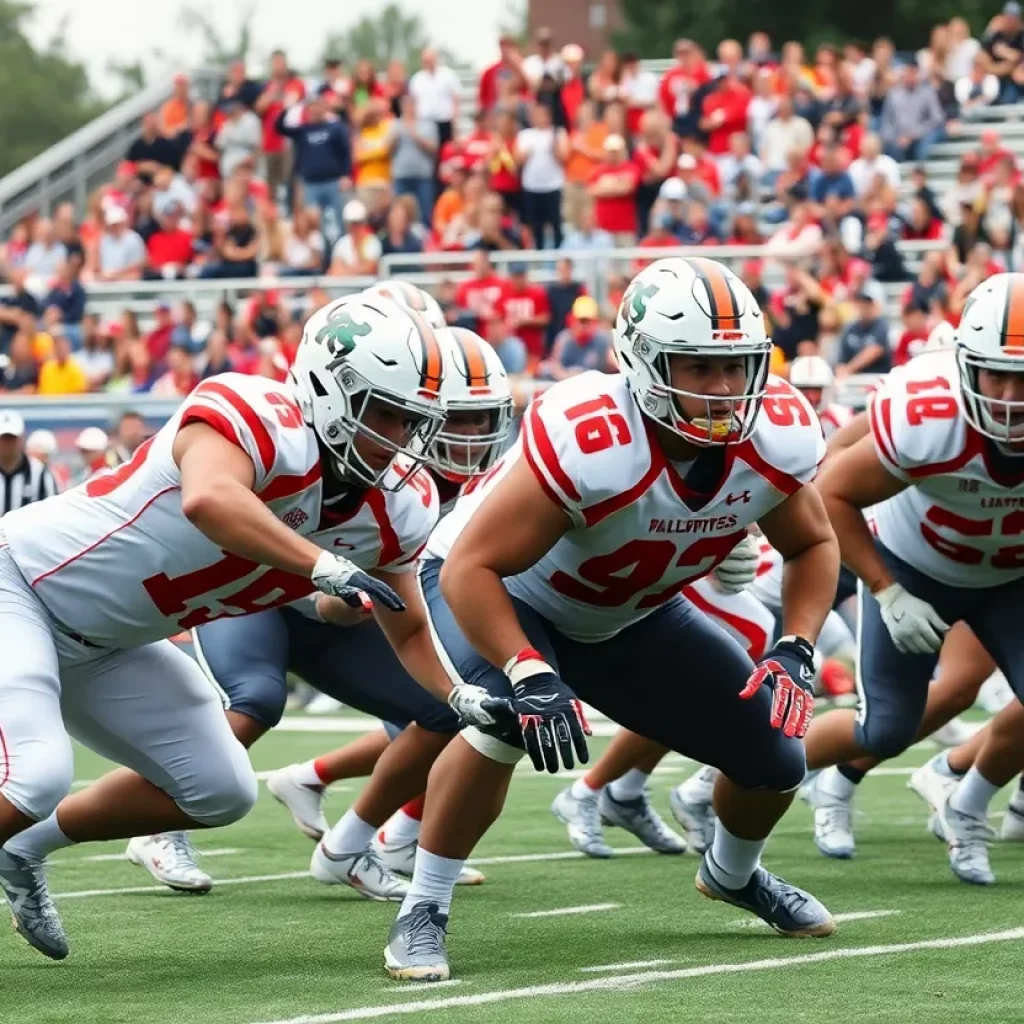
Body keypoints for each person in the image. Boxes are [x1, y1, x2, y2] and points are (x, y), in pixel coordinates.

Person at [383, 256, 840, 983]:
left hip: (629, 613)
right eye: (698, 367)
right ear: (644, 361)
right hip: (503, 592)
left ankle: (731, 873)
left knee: (775, 757)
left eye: (737, 366)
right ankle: (423, 905)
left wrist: (797, 644)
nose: (724, 391)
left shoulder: (773, 433)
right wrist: (528, 668)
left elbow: (813, 542)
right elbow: (473, 566)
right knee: (505, 716)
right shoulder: (593, 434)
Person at [0, 295, 452, 960]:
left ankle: (22, 849)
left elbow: (407, 628)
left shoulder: (391, 506)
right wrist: (324, 565)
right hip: (23, 585)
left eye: (411, 421)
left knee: (219, 788)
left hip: (110, 643)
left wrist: (464, 697)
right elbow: (211, 499)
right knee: (35, 776)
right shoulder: (253, 412)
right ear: (332, 391)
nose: (399, 439)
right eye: (385, 413)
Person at [131, 303, 513, 896]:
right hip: (250, 595)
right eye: (454, 420)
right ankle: (157, 825)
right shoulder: (292, 437)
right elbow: (220, 503)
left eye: (477, 420)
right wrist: (330, 578)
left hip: (322, 608)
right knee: (256, 698)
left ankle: (353, 844)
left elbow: (370, 612)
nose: (463, 439)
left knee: (444, 707)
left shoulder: (416, 489)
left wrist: (351, 605)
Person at [803, 272, 1024, 885]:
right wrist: (885, 589)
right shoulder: (927, 415)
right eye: (996, 374)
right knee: (887, 726)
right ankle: (747, 769)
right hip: (914, 567)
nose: (1010, 397)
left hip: (1010, 579)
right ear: (963, 367)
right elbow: (832, 495)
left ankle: (969, 803)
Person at [0, 410, 57, 513]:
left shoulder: (40, 473)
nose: (7, 443)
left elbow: (52, 513)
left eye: (12, 438)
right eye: (3, 438)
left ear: (21, 438)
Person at [835, 292, 891, 378]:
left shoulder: (880, 324)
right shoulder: (850, 328)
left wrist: (849, 369)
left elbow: (875, 350)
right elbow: (841, 358)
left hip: (877, 377)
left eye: (867, 304)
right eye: (861, 304)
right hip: (853, 379)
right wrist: (841, 370)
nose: (864, 308)